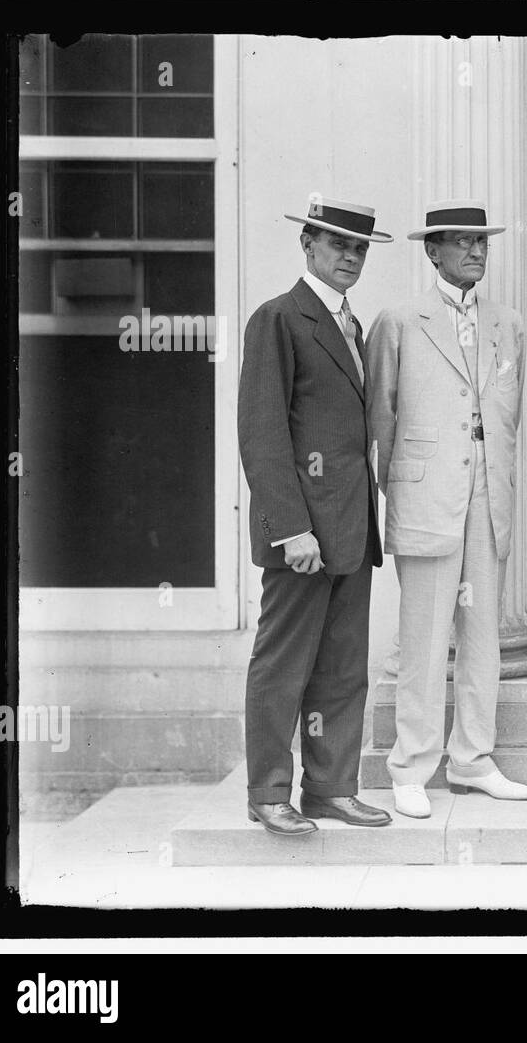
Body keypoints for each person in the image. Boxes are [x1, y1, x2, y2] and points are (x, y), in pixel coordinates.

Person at [366, 199, 527, 820]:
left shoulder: (507, 323)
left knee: (483, 634)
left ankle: (473, 760)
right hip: (426, 497)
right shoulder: (400, 320)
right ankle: (410, 766)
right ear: (432, 251)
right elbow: (378, 418)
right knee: (425, 637)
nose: (475, 252)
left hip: (487, 497)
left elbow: (506, 418)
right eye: (461, 242)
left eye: (482, 242)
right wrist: (396, 491)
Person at [238, 194, 394, 835]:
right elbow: (263, 433)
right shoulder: (279, 318)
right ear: (307, 245)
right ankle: (268, 792)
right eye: (337, 245)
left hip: (351, 533)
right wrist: (291, 528)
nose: (350, 257)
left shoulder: (351, 326)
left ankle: (330, 788)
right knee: (282, 666)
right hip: (303, 535)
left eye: (358, 248)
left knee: (341, 669)